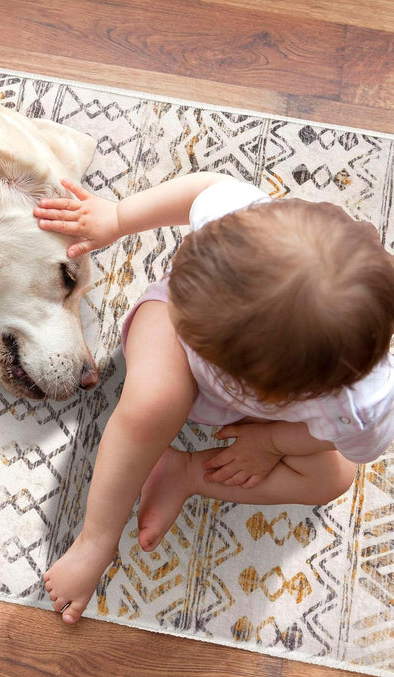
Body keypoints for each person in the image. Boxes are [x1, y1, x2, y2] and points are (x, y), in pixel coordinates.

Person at [33, 173, 394, 624]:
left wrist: (274, 443)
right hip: (170, 342)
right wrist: (119, 217)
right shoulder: (246, 221)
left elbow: (344, 442)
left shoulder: (365, 402)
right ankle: (96, 539)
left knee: (335, 479)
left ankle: (187, 473)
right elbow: (203, 189)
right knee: (153, 404)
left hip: (261, 406)